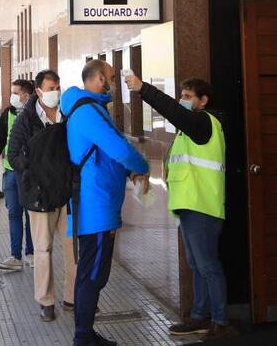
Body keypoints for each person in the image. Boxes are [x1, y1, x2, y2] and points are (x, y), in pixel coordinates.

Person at [126, 73, 235, 338]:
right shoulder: (190, 129)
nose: (182, 101)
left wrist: (143, 89)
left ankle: (220, 322)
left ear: (203, 101)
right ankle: (199, 316)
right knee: (196, 264)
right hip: (189, 204)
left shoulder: (205, 123)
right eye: (181, 96)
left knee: (207, 265)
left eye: (188, 97)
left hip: (203, 205)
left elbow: (173, 112)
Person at [62, 60, 149, 346]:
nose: (113, 82)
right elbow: (117, 147)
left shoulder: (91, 108)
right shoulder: (87, 111)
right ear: (100, 78)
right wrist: (142, 166)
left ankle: (85, 334)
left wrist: (130, 169)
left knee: (92, 273)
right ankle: (83, 337)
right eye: (111, 77)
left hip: (98, 204)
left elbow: (108, 152)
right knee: (93, 275)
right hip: (94, 206)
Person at [7, 69, 77, 322]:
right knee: (43, 249)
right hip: (40, 194)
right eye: (49, 88)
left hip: (67, 193)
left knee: (73, 250)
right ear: (38, 91)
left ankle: (73, 297)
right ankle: (46, 301)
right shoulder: (25, 120)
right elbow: (13, 156)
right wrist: (36, 168)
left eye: (57, 86)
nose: (54, 92)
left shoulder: (68, 114)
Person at [0, 78, 35, 271]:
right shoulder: (8, 113)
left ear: (27, 95)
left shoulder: (36, 114)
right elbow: (0, 138)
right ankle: (15, 256)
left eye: (16, 93)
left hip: (30, 173)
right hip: (10, 171)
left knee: (31, 214)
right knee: (14, 213)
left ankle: (32, 253)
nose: (13, 96)